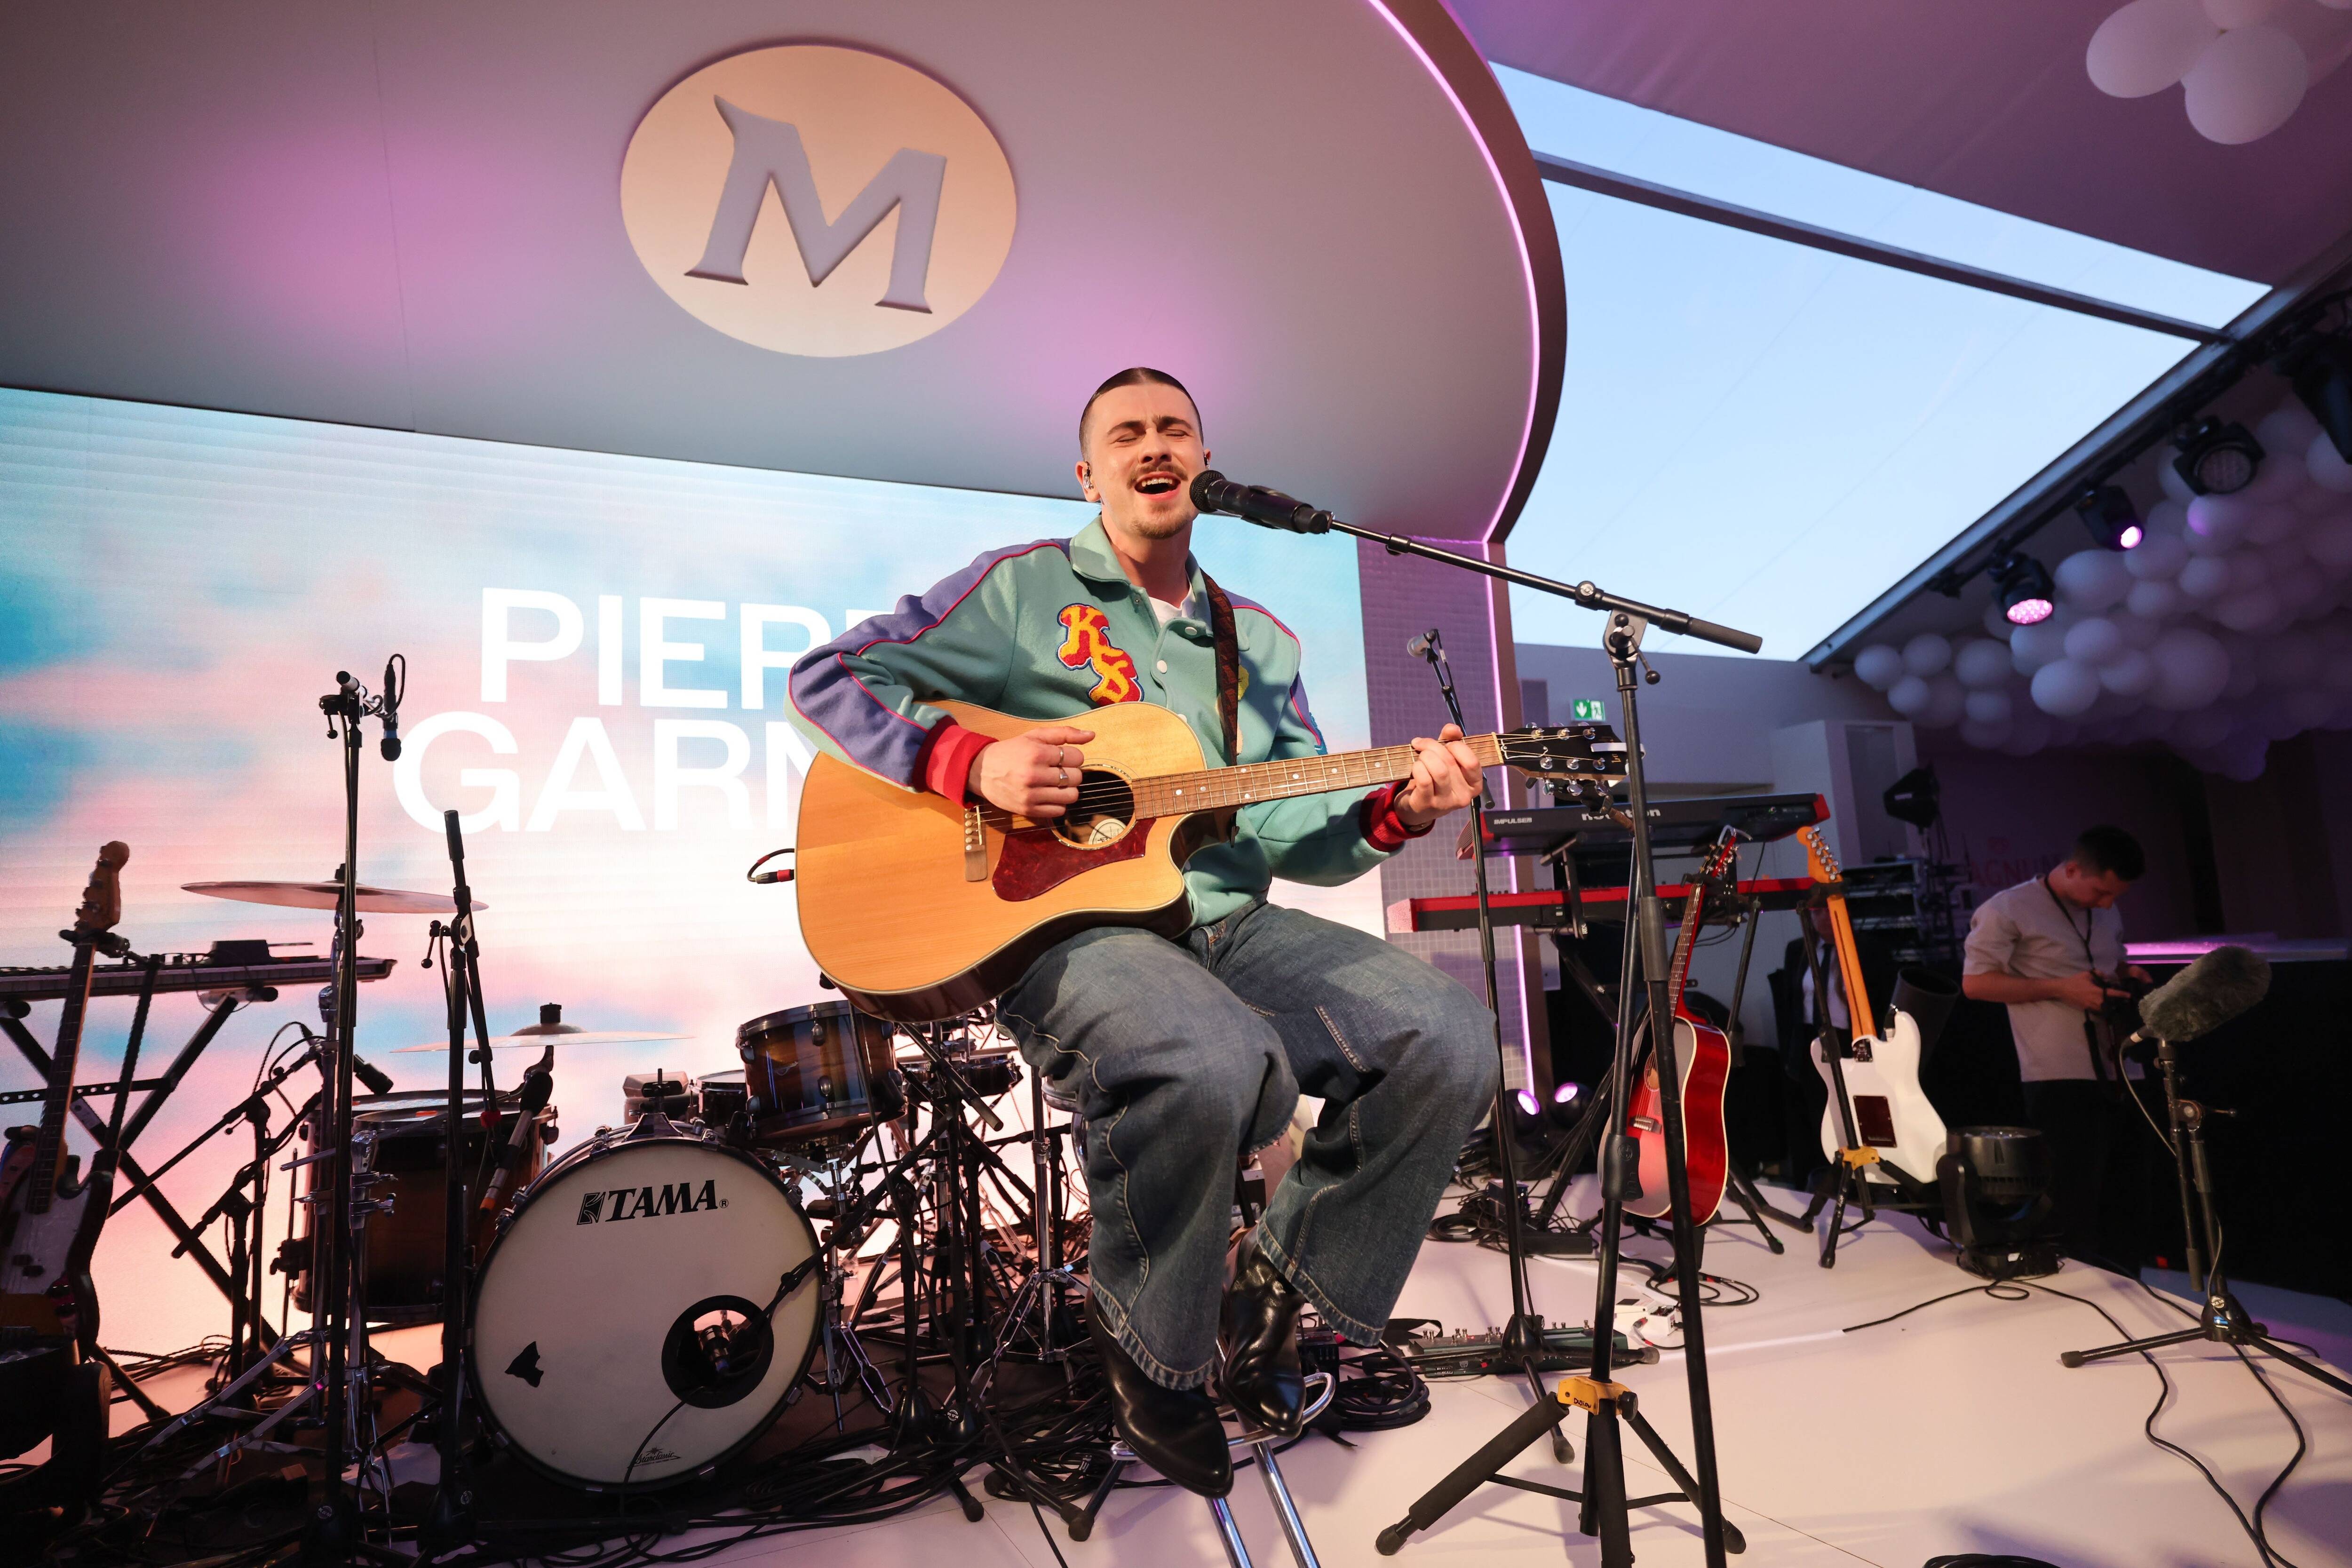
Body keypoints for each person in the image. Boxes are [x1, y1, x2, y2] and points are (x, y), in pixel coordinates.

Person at [787, 368, 1498, 1496]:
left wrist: (1398, 806)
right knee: (1206, 1058)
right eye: (1127, 432)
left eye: (1175, 427)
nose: (1152, 442)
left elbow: (1291, 828)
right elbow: (829, 677)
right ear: (1091, 473)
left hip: (1222, 919)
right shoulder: (1020, 589)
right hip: (1061, 937)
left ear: (1203, 465)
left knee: (1447, 1035)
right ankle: (1153, 1351)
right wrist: (971, 762)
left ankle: (1284, 1292)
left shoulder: (1254, 643)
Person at [1960, 825, 2152, 1263]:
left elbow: (2105, 959)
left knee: (2126, 1199)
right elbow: (1975, 984)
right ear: (2071, 869)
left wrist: (2126, 974)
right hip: (2058, 1074)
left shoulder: (2106, 907)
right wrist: (2062, 989)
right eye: (2101, 891)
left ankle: (2130, 1291)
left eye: (2114, 896)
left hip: (2123, 1068)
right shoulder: (2007, 908)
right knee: (2071, 1203)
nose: (2107, 904)